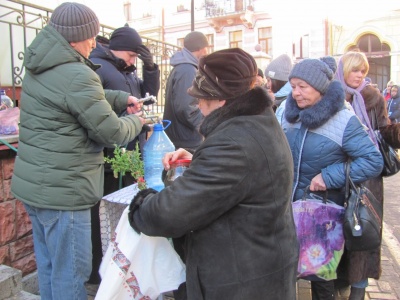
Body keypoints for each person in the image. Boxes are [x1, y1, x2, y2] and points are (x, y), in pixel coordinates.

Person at [128, 48, 299, 299]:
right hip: (260, 264)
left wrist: (141, 205)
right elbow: (245, 173)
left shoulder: (233, 142)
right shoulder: (257, 118)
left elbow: (171, 213)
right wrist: (198, 159)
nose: (197, 104)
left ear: (221, 100)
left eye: (201, 97)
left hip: (241, 280)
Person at [10, 3, 144, 299]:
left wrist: (121, 98)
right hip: (65, 193)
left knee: (49, 268)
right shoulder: (74, 73)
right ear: (74, 38)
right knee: (71, 275)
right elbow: (112, 132)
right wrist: (136, 121)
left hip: (36, 187)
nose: (94, 43)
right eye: (90, 37)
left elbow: (75, 94)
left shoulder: (43, 63)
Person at [281, 56, 383, 300]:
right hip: (285, 208)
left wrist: (329, 176)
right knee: (284, 270)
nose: (296, 93)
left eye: (302, 87)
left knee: (321, 277)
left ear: (319, 87)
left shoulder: (343, 120)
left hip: (322, 214)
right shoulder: (286, 114)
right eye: (293, 86)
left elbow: (373, 161)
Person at [88, 24, 160, 283]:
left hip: (129, 149)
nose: (133, 61)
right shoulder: (99, 67)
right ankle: (99, 269)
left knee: (122, 213)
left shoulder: (123, 69)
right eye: (132, 55)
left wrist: (150, 68)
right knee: (102, 215)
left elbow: (147, 95)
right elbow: (96, 107)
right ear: (117, 50)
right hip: (111, 156)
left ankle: (117, 263)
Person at [334, 51, 400, 300]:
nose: (360, 75)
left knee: (363, 231)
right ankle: (338, 281)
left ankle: (358, 290)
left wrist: (396, 132)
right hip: (339, 173)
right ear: (343, 70)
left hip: (367, 178)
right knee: (338, 231)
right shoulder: (331, 97)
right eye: (355, 70)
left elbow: (384, 131)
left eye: (363, 71)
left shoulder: (373, 98)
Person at [162, 31, 209, 152]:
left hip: (181, 136)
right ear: (201, 48)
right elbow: (186, 107)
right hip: (186, 139)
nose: (206, 52)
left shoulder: (183, 67)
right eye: (206, 48)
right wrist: (205, 126)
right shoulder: (187, 70)